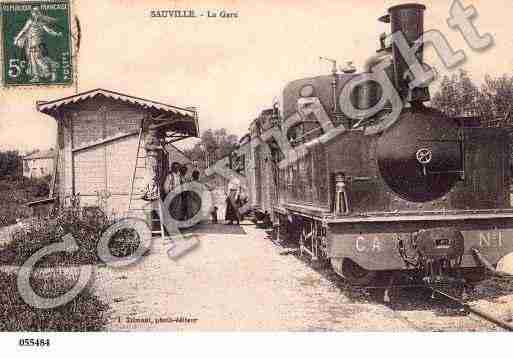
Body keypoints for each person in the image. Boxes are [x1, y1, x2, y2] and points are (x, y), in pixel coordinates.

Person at [14, 6, 62, 82]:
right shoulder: (30, 22)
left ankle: (50, 70)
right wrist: (17, 38)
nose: (36, 14)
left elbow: (49, 30)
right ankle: (37, 76)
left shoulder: (41, 23)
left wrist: (56, 34)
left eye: (37, 12)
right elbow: (23, 30)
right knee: (33, 60)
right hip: (30, 44)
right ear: (32, 13)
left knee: (38, 59)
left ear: (39, 14)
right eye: (34, 12)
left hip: (36, 44)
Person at [141, 126, 163, 201]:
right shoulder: (150, 137)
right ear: (150, 130)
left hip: (155, 158)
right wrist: (157, 147)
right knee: (151, 175)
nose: (155, 131)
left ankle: (151, 192)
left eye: (155, 130)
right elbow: (146, 146)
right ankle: (147, 192)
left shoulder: (155, 138)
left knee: (153, 175)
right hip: (151, 157)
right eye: (154, 130)